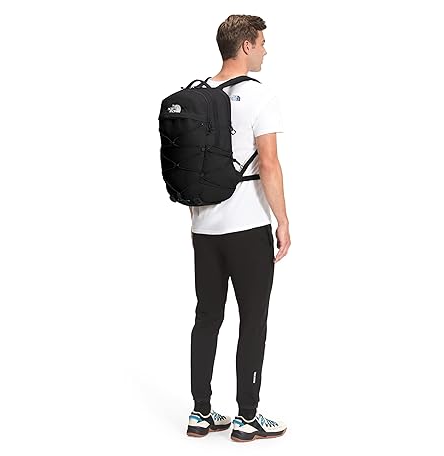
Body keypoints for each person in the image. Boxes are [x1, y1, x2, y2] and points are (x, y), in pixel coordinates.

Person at [186, 15, 291, 442]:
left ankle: (200, 413)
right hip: (248, 227)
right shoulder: (259, 96)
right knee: (253, 320)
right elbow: (269, 163)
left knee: (207, 316)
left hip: (203, 228)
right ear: (246, 45)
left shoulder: (195, 94)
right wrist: (283, 221)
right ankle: (247, 418)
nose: (265, 50)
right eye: (262, 43)